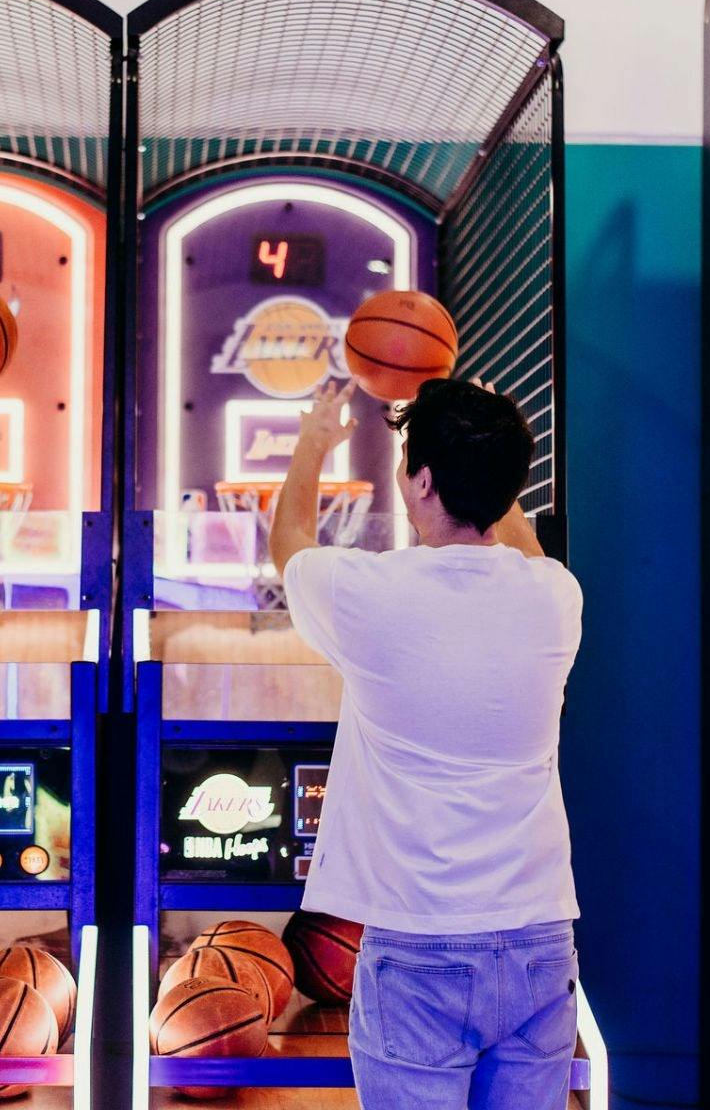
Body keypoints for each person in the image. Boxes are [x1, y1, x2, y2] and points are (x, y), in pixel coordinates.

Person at [270, 377, 583, 1110]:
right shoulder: (555, 597)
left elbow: (289, 547)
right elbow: (523, 547)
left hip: (420, 949)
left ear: (421, 480)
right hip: (540, 942)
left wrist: (314, 441)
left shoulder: (368, 594)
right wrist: (489, 456)